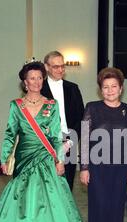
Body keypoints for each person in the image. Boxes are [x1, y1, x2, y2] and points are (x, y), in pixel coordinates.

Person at [0, 60, 89, 222]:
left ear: (43, 81)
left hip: (45, 158)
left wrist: (60, 160)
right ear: (25, 82)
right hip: (24, 158)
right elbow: (10, 133)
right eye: (32, 78)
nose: (36, 82)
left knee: (52, 202)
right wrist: (6, 159)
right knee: (20, 200)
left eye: (39, 78)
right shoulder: (16, 105)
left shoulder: (52, 105)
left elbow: (54, 135)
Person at [80, 67, 127, 222]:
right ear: (100, 89)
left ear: (121, 88)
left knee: (115, 207)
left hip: (121, 168)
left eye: (114, 86)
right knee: (99, 206)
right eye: (105, 87)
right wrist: (84, 167)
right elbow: (85, 139)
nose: (110, 90)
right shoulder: (92, 108)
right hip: (97, 167)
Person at [41, 51, 85, 191]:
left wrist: (71, 140)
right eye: (56, 66)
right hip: (46, 142)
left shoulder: (73, 88)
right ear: (46, 67)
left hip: (69, 140)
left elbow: (81, 117)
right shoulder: (39, 89)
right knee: (47, 183)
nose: (60, 70)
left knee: (67, 182)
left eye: (62, 66)